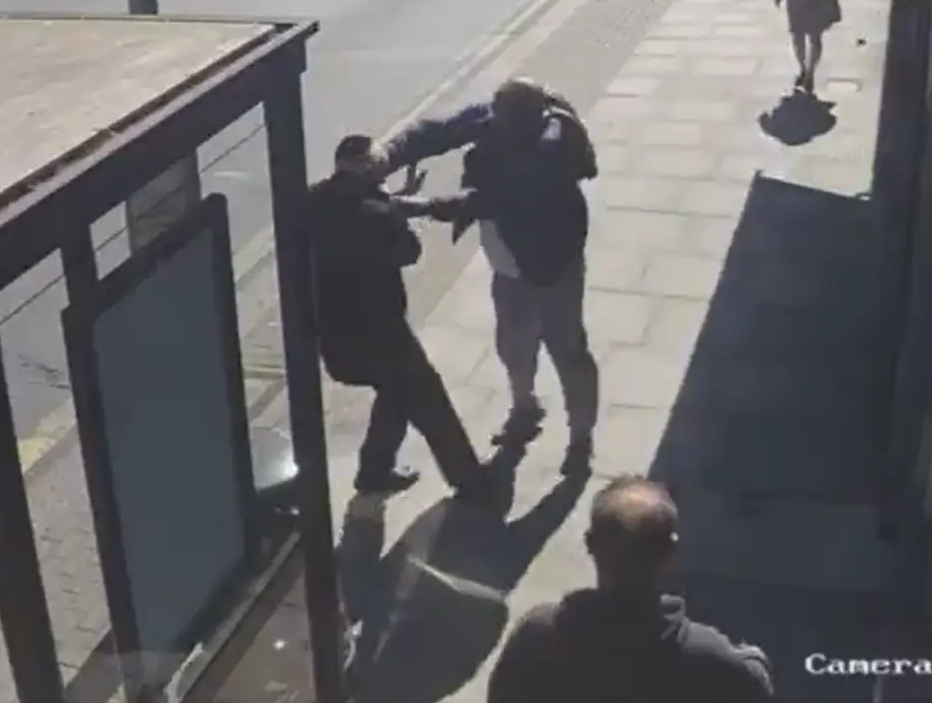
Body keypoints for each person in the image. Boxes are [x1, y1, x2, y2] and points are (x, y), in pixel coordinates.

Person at [386, 78, 599, 475]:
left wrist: (427, 205)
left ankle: (581, 439)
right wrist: (387, 154)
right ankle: (525, 409)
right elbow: (437, 131)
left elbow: (494, 197)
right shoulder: (497, 120)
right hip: (508, 264)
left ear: (527, 121)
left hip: (551, 265)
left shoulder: (553, 144)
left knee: (568, 350)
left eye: (503, 122)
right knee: (512, 344)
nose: (491, 126)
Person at [310, 135, 491, 498]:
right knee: (429, 399)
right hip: (382, 333)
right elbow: (409, 251)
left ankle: (374, 472)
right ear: (372, 169)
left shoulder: (312, 199)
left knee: (396, 395)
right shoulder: (379, 214)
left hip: (333, 333)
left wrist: (388, 201)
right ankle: (470, 481)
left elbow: (350, 215)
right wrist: (393, 210)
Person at [486, 476, 776, 702]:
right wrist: (753, 658)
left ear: (589, 544)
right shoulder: (708, 657)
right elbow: (757, 688)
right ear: (671, 551)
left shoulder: (536, 636)